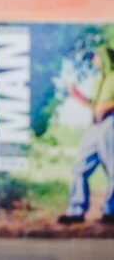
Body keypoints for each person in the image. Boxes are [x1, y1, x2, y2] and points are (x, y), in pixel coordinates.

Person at [59, 40, 114, 225]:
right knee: (79, 167)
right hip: (95, 127)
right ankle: (76, 211)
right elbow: (95, 106)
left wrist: (107, 106)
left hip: (111, 124)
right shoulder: (100, 80)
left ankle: (111, 212)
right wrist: (78, 96)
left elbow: (104, 106)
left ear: (105, 58)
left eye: (97, 56)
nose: (94, 60)